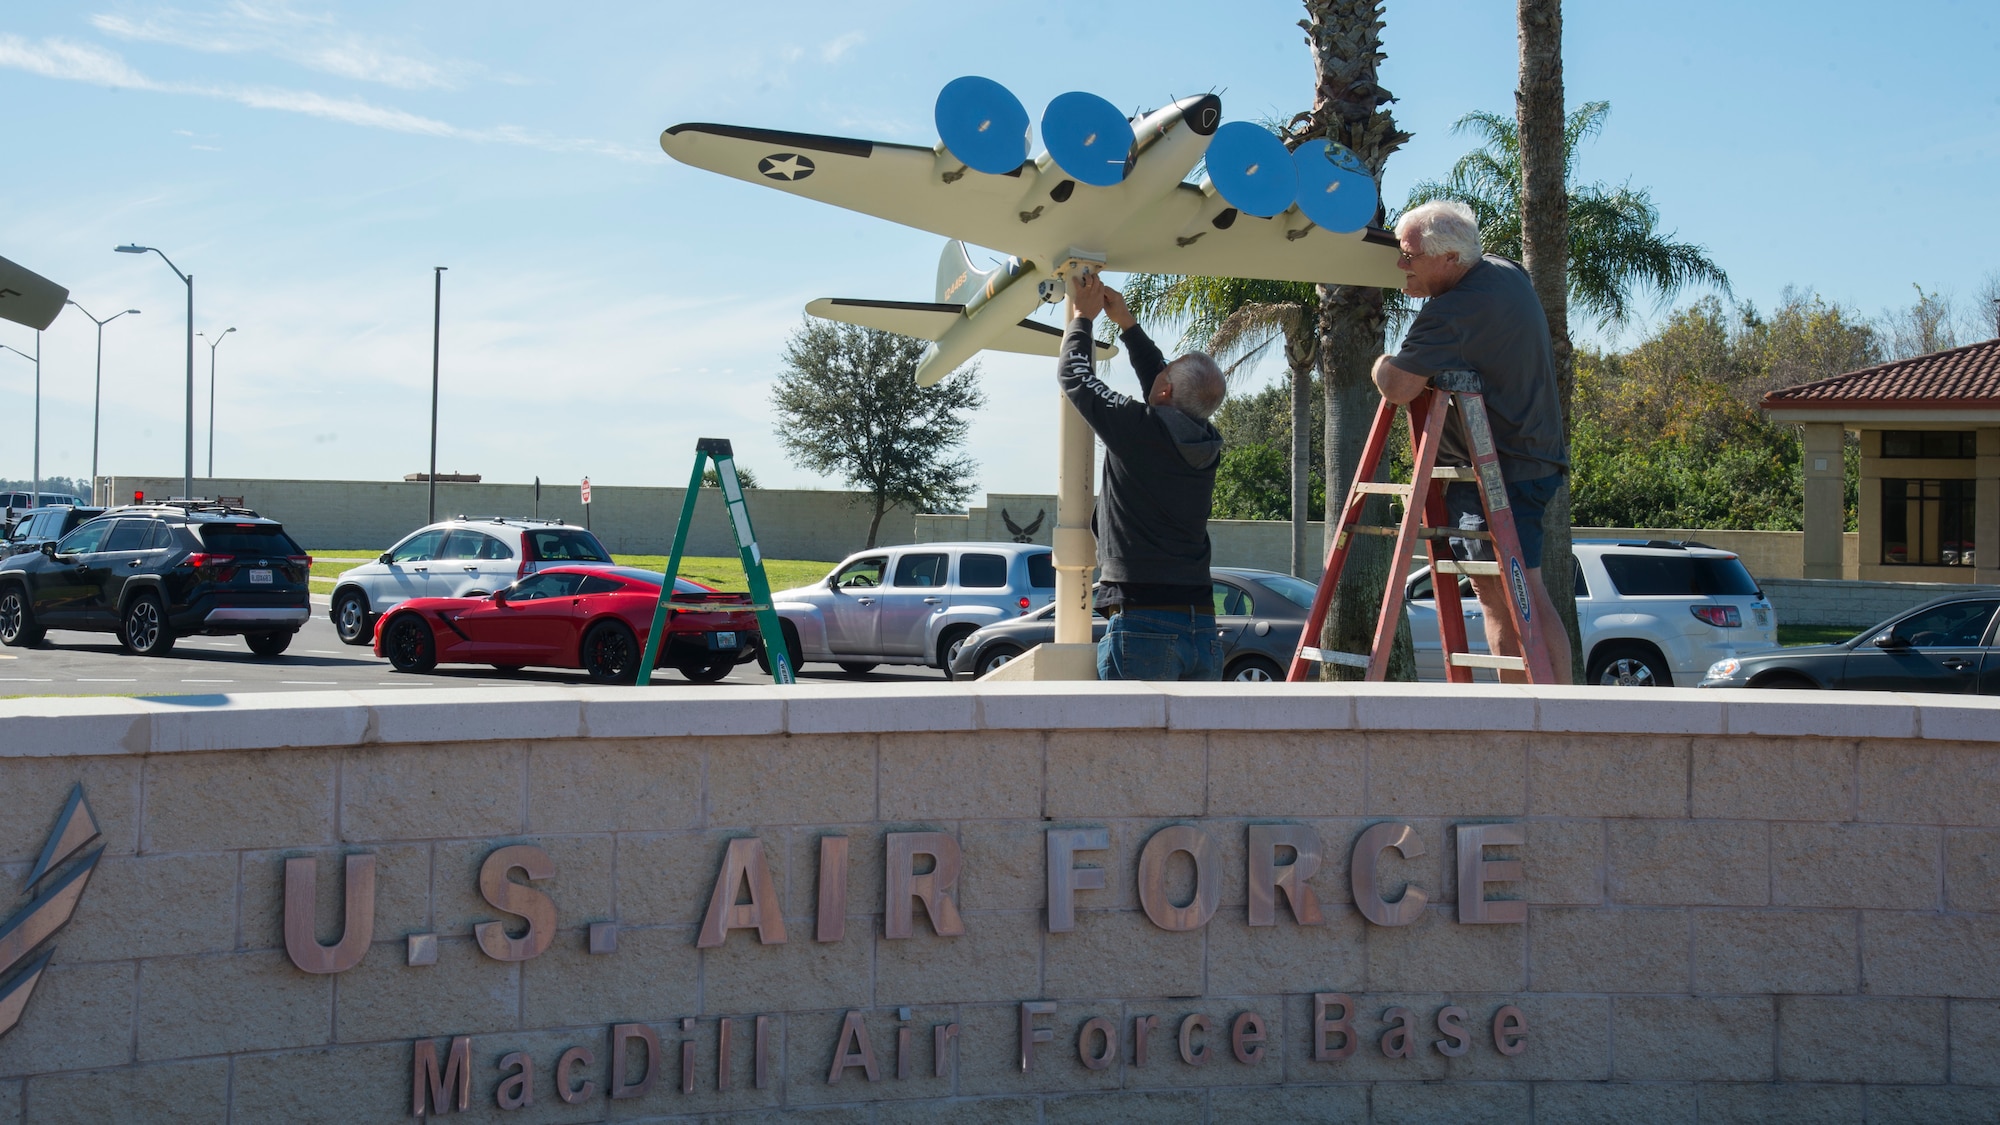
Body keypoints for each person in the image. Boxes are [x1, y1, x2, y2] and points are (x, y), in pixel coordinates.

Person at [1370, 199, 1574, 684]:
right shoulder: (1503, 271)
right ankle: (1518, 707)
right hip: (1518, 462)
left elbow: (1399, 386)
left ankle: (1562, 712)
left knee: (1522, 591)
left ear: (1449, 260)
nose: (1401, 265)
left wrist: (1379, 363)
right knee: (1495, 595)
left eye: (1410, 256)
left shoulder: (1455, 310)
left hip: (1504, 471)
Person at [1057, 270, 1227, 680]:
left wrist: (1082, 316)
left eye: (1165, 374)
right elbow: (1163, 384)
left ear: (1165, 391)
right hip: (1201, 625)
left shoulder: (1140, 430)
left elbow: (1075, 377)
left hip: (1146, 624)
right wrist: (1127, 325)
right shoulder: (1206, 441)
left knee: (1129, 745)